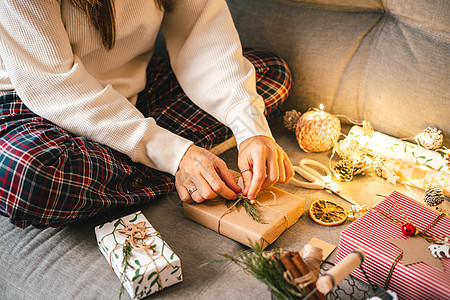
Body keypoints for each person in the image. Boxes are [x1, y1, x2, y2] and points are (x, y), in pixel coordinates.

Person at [0, 0, 294, 229]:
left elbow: (201, 34)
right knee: (27, 174)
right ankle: (180, 167)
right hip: (33, 105)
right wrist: (177, 155)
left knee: (270, 72)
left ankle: (167, 164)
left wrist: (252, 132)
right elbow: (53, 84)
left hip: (132, 96)